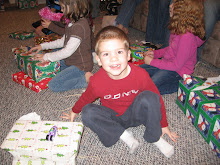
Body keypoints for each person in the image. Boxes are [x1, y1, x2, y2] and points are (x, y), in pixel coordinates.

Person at [61, 26, 179, 158]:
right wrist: (74, 111)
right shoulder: (97, 81)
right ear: (99, 60)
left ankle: (155, 137)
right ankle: (124, 135)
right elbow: (86, 98)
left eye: (119, 52)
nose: (113, 59)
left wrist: (163, 124)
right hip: (113, 117)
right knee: (88, 112)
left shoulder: (140, 74)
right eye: (106, 54)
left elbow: (156, 99)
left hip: (136, 115)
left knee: (150, 97)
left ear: (128, 55)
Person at [139, 0, 205, 95]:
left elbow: (176, 66)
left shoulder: (186, 37)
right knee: (139, 71)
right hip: (168, 64)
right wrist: (155, 54)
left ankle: (181, 85)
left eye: (175, 4)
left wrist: (152, 62)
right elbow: (171, 49)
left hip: (178, 72)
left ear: (184, 12)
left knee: (149, 87)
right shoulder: (178, 28)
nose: (170, 5)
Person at [29, 0, 94, 92]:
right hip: (70, 60)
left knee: (54, 85)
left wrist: (47, 56)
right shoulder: (72, 22)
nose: (62, 11)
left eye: (63, 8)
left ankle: (86, 79)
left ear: (74, 6)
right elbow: (63, 41)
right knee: (51, 62)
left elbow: (67, 51)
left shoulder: (80, 26)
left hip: (81, 66)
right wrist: (43, 46)